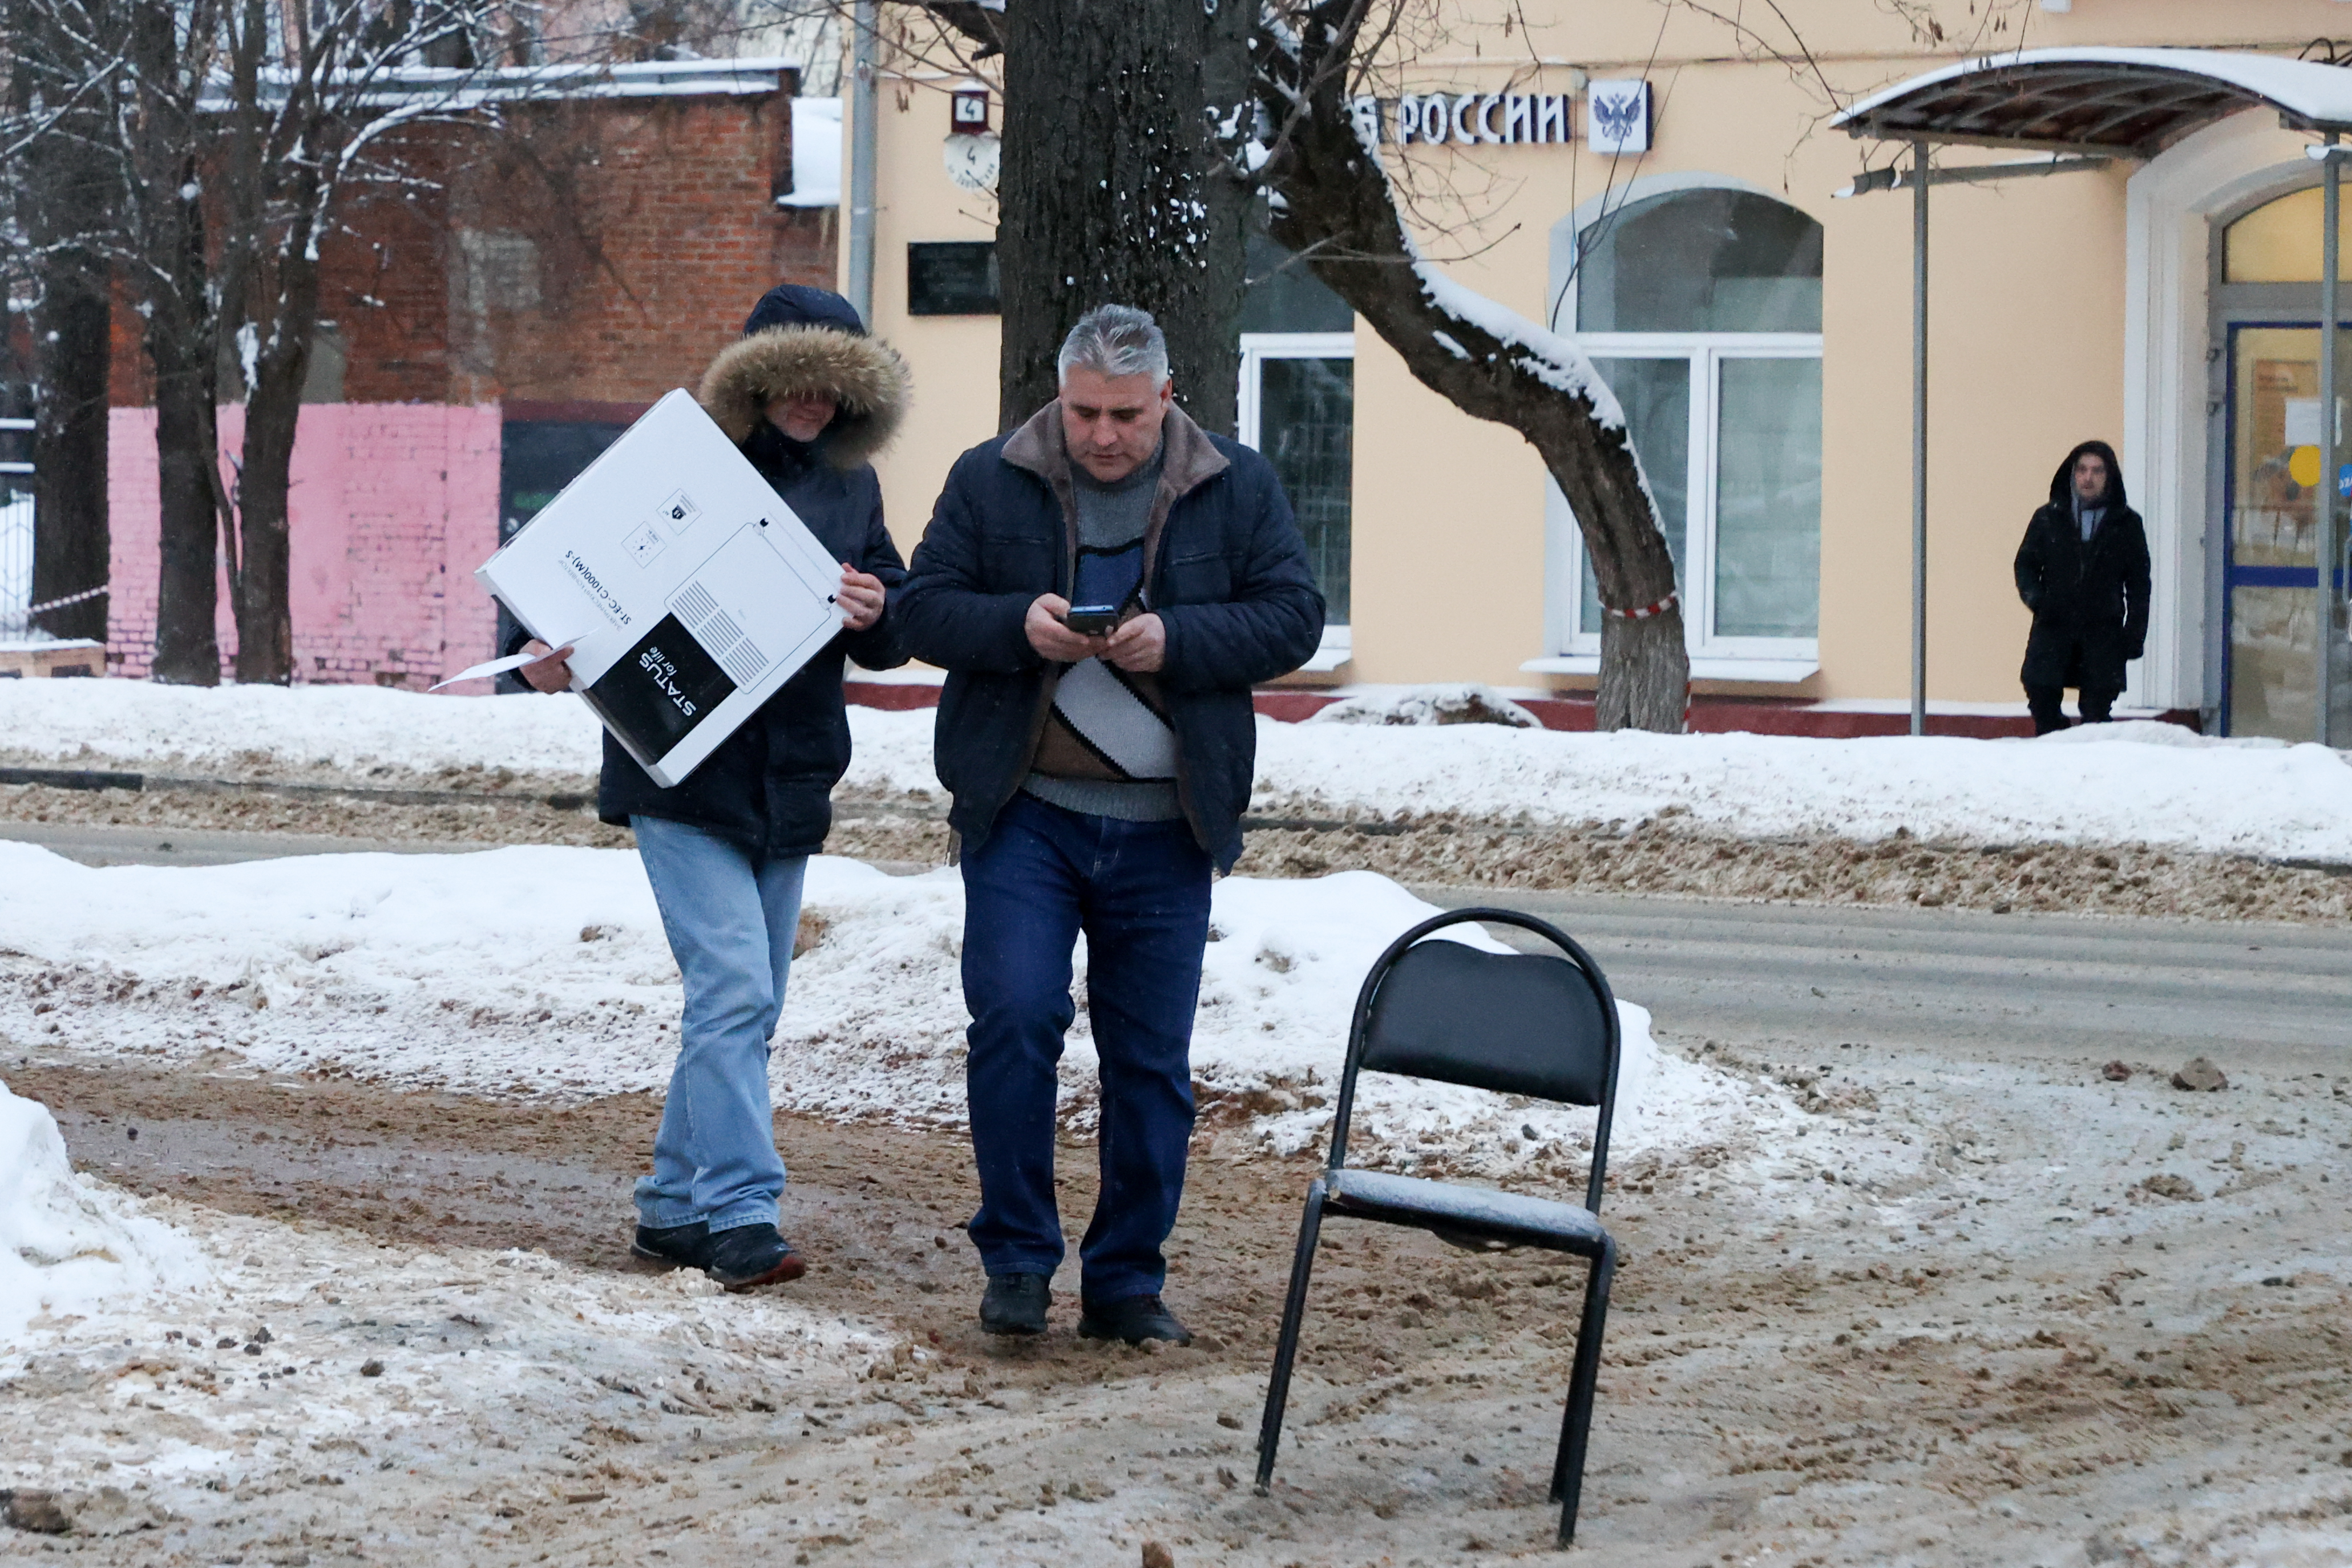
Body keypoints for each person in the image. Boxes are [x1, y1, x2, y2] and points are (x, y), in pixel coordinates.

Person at [895, 305, 1323, 1346]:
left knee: (1148, 1063)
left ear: (1165, 398)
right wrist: (1014, 625)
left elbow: (1294, 617)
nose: (1102, 435)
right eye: (1083, 411)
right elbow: (920, 609)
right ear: (1058, 397)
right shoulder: (988, 476)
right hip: (1023, 814)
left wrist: (1175, 638)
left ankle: (1125, 1278)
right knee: (1014, 1017)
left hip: (1165, 825)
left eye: (1124, 414)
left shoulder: (1236, 484)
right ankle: (1016, 1261)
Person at [512, 284, 911, 1290]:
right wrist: (538, 654)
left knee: (748, 1003)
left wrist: (879, 609)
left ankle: (669, 1208)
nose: (813, 403)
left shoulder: (851, 489)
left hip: (795, 774)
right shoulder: (678, 467)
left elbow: (898, 615)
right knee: (734, 987)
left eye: (833, 387)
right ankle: (739, 1209)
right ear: (754, 379)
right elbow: (564, 585)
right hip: (679, 771)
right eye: (795, 381)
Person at [2014, 439, 2151, 737]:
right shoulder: (2048, 518)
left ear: (2110, 477)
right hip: (2053, 627)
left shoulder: (2126, 524)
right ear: (2072, 473)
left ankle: (2091, 769)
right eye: (2082, 470)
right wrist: (2038, 600)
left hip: (2103, 632)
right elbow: (2025, 564)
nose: (2088, 478)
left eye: (2097, 471)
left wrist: (2134, 634)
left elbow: (2139, 584)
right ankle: (2054, 752)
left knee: (2097, 715)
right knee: (2041, 694)